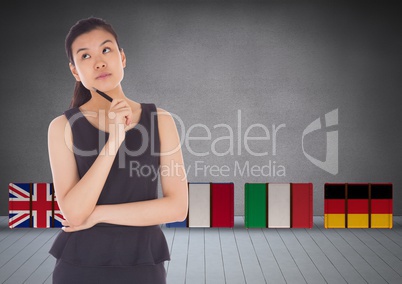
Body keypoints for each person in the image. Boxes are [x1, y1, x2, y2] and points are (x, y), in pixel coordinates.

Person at [47, 17, 188, 283]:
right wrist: (114, 140)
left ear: (122, 57)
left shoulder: (161, 120)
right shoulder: (62, 127)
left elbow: (177, 207)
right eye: (85, 56)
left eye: (106, 50)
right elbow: (75, 213)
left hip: (143, 264)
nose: (99, 61)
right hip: (79, 267)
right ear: (75, 72)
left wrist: (98, 214)